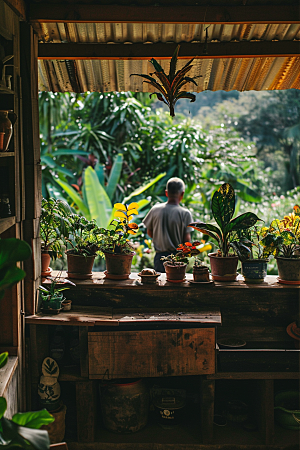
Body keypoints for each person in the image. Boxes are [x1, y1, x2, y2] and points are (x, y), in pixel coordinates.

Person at [143, 177, 193, 272]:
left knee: (161, 283)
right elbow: (187, 240)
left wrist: (160, 237)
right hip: (177, 258)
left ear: (166, 193)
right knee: (176, 283)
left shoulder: (155, 210)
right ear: (182, 194)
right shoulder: (185, 213)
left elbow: (149, 231)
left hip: (159, 258)